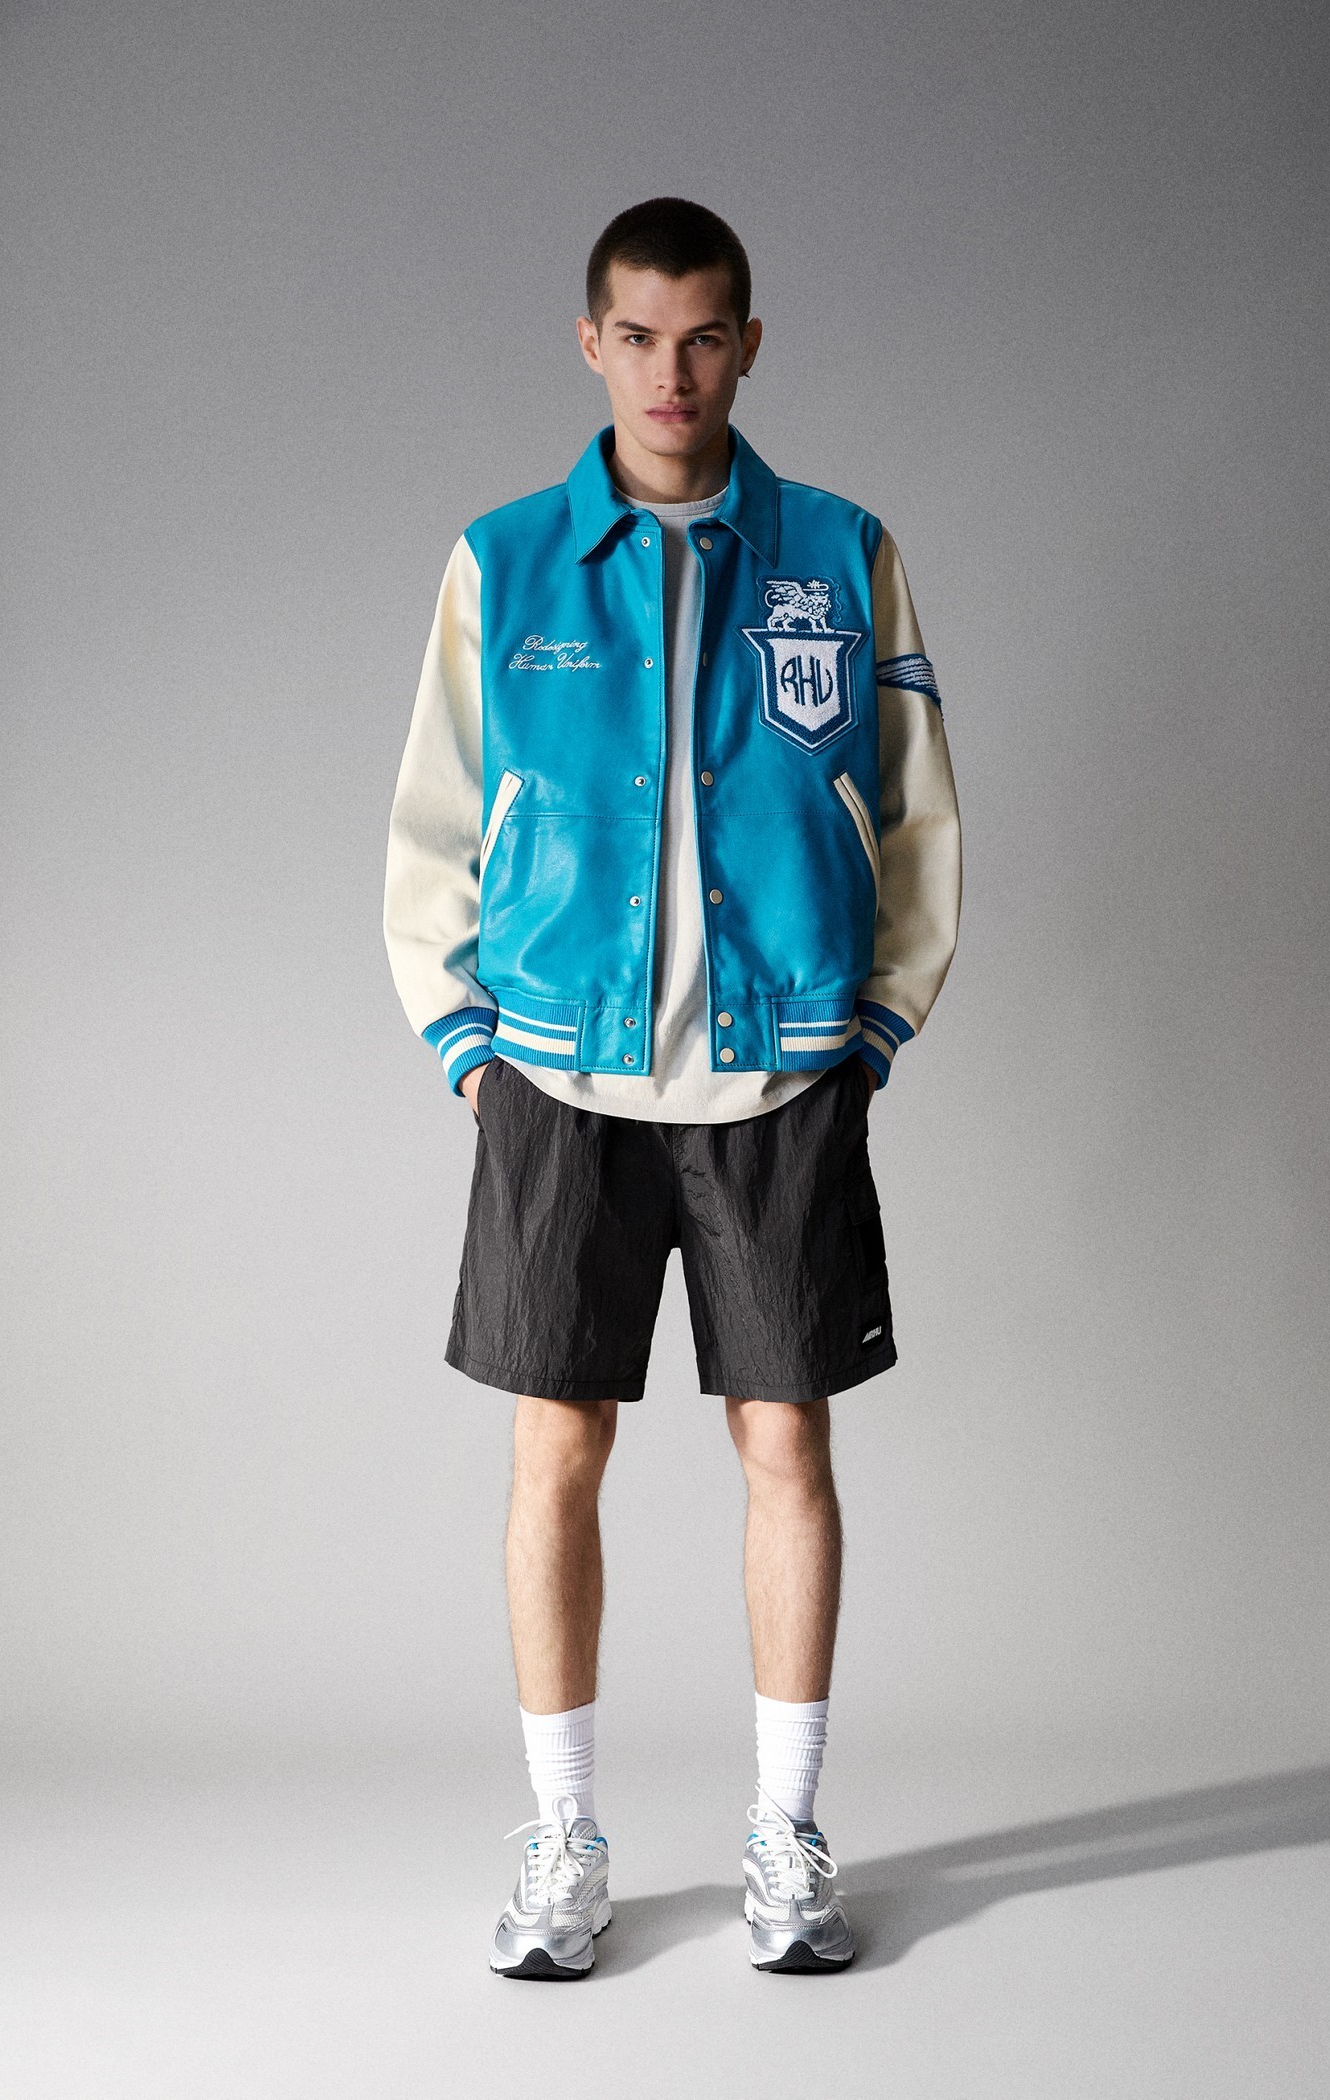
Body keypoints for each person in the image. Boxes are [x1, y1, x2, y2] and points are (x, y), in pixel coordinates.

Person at [383, 196, 961, 1978]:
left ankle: (786, 1835)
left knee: (787, 1442)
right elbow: (432, 824)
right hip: (558, 1079)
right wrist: (470, 1049)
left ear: (749, 346)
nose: (672, 372)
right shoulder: (505, 563)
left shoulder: (840, 554)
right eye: (637, 336)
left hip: (783, 1076)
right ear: (592, 344)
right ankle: (564, 1840)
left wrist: (874, 1029)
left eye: (705, 336)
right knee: (556, 1448)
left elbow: (919, 815)